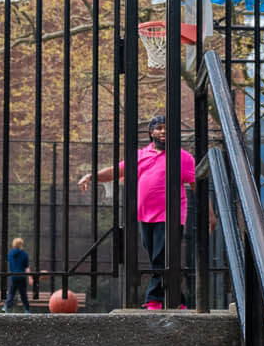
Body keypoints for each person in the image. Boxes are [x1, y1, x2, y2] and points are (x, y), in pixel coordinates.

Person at [78, 113, 197, 309]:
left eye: (167, 128)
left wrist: (208, 213)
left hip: (170, 215)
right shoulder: (141, 155)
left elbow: (195, 184)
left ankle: (154, 299)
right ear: (151, 132)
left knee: (162, 257)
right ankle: (177, 300)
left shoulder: (183, 158)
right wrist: (92, 176)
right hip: (144, 216)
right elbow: (116, 171)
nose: (163, 131)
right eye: (159, 128)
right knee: (158, 258)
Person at [4, 236, 33, 312]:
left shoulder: (10, 254)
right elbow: (26, 267)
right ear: (21, 244)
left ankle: (6, 307)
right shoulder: (24, 254)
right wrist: (30, 277)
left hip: (13, 277)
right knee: (23, 294)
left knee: (11, 294)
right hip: (22, 276)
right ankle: (27, 310)